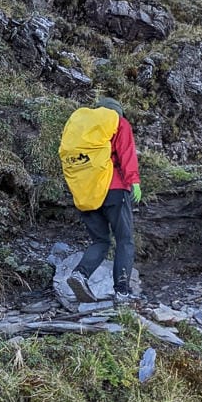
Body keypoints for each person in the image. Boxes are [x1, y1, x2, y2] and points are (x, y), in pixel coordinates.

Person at [67, 96, 142, 302]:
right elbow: (126, 153)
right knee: (124, 240)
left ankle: (80, 274)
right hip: (115, 189)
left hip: (88, 194)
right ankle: (122, 291)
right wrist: (133, 181)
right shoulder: (118, 122)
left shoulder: (82, 130)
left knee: (100, 240)